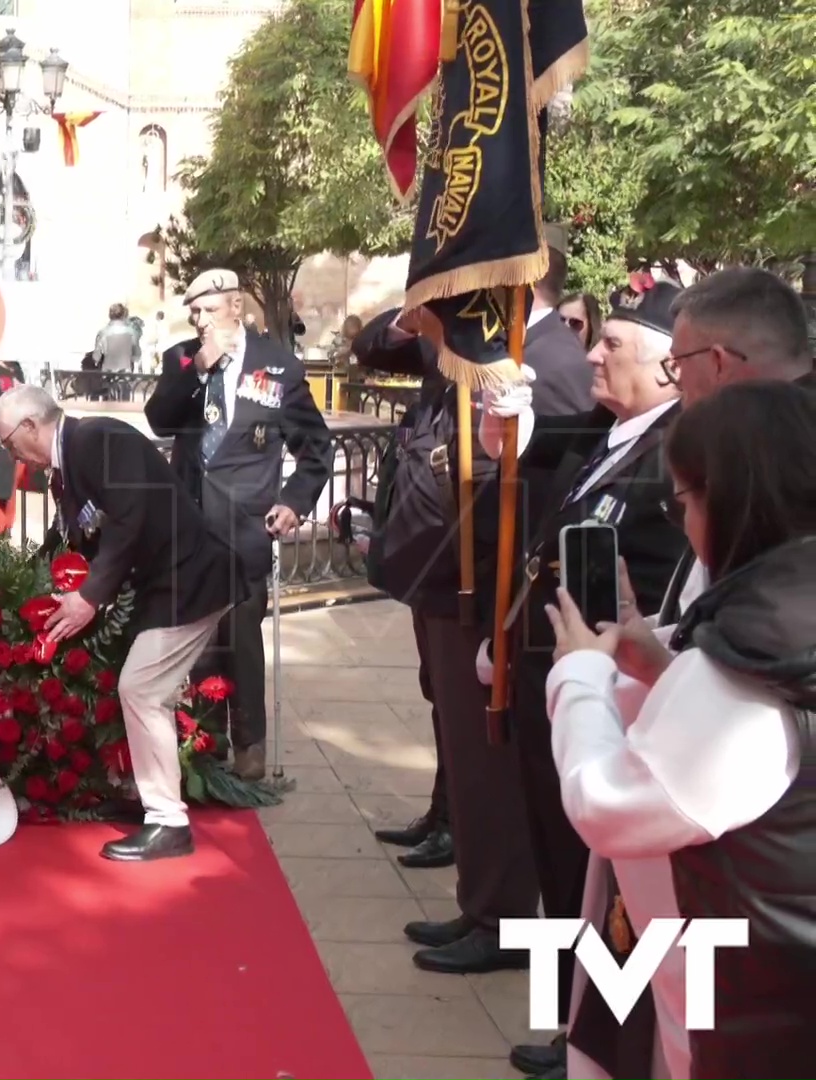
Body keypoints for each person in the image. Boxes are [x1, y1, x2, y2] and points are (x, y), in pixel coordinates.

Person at [543, 382, 816, 1080]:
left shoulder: (746, 672)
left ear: (729, 501)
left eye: (684, 502)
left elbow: (611, 804)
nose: (684, 523)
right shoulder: (780, 629)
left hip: (757, 1007)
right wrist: (658, 662)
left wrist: (581, 675)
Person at [477, 282, 690, 1074]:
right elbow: (534, 472)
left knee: (598, 883)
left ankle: (592, 1036)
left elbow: (654, 583)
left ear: (671, 368)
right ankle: (569, 1023)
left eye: (614, 346)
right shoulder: (614, 429)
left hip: (618, 696)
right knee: (561, 870)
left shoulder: (678, 450)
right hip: (560, 677)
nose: (592, 353)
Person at [393, 233, 594, 981]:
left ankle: (505, 917)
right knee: (475, 769)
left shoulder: (549, 359)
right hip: (462, 579)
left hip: (499, 588)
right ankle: (485, 905)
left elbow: (549, 489)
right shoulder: (496, 352)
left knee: (495, 771)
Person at [0, 385, 242, 861]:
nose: (10, 455)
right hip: (165, 587)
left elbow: (129, 518)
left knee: (142, 689)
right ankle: (149, 799)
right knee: (139, 688)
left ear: (30, 426)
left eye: (8, 443)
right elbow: (76, 537)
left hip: (191, 580)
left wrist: (89, 597)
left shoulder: (99, 439)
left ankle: (169, 822)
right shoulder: (71, 464)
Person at [144, 268, 334, 779]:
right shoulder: (183, 359)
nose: (198, 320)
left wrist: (294, 502)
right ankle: (207, 743)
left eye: (207, 310)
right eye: (193, 312)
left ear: (236, 308)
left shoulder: (279, 368)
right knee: (198, 639)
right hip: (192, 522)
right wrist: (196, 370)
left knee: (242, 636)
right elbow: (160, 419)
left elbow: (315, 448)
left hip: (247, 526)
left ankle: (251, 742)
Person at [651, 267, 814, 627]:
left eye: (678, 363)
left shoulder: (769, 459)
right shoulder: (768, 441)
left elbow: (764, 634)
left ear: (718, 363)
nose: (676, 383)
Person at [350, 306, 454, 870]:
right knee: (439, 696)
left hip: (459, 562)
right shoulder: (444, 339)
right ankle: (443, 812)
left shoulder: (494, 352)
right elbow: (370, 347)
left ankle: (459, 825)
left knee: (461, 709)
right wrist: (415, 313)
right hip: (427, 558)